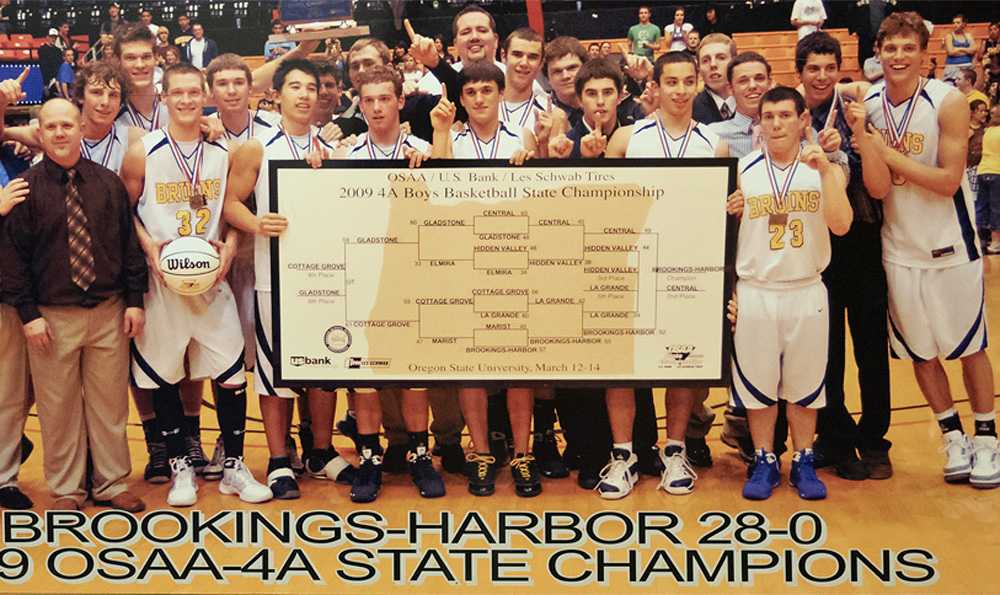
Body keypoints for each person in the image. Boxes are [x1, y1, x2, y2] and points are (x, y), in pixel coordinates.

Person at [120, 63, 272, 507]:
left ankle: (234, 467)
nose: (186, 100)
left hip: (211, 280)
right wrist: (150, 248)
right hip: (163, 282)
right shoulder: (143, 152)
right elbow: (125, 211)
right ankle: (180, 466)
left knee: (230, 373)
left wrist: (230, 247)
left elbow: (235, 207)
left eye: (193, 92)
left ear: (204, 96)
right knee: (165, 373)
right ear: (164, 97)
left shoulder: (224, 152)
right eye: (178, 93)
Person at [859, 12, 999, 488]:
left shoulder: (947, 101)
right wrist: (865, 139)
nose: (898, 57)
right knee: (921, 352)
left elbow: (947, 181)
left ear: (924, 53)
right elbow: (878, 187)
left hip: (950, 245)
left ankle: (987, 437)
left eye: (908, 48)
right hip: (899, 248)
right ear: (878, 52)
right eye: (890, 48)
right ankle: (953, 435)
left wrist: (886, 153)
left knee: (970, 347)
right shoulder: (869, 103)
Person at [589, 52, 728, 500]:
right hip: (633, 265)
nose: (681, 90)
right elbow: (604, 203)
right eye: (672, 82)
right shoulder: (628, 138)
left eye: (688, 82)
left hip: (688, 268)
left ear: (697, 85)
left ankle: (674, 450)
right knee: (622, 364)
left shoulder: (714, 144)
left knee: (679, 362)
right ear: (657, 86)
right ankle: (623, 455)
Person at [1, 98, 148, 512]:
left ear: (81, 128)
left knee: (110, 405)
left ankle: (111, 482)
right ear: (40, 133)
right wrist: (29, 316)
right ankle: (67, 489)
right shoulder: (25, 190)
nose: (60, 133)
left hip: (108, 311)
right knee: (58, 408)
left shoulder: (108, 183)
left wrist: (134, 301)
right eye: (51, 127)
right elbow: (13, 261)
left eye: (67, 125)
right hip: (51, 317)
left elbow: (128, 246)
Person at [223, 59, 357, 501]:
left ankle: (321, 451)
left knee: (325, 364)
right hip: (274, 279)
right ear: (276, 95)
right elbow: (229, 203)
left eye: (311, 88)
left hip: (327, 277)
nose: (304, 95)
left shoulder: (332, 147)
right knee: (273, 371)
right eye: (295, 87)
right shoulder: (257, 148)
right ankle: (279, 458)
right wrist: (258, 224)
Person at [332, 65, 446, 504]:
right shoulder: (346, 156)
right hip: (362, 273)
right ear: (359, 105)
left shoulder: (424, 151)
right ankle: (369, 459)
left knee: (413, 371)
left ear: (400, 101)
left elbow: (446, 208)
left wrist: (431, 168)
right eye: (369, 100)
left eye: (385, 99)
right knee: (363, 372)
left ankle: (420, 456)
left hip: (410, 272)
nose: (377, 108)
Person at [732, 86, 853, 501]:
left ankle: (803, 458)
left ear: (803, 120)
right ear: (760, 123)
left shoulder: (823, 167)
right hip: (756, 289)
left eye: (785, 115)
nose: (776, 124)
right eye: (768, 117)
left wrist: (826, 173)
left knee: (806, 385)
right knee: (759, 385)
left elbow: (842, 224)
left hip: (806, 288)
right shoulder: (743, 169)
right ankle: (764, 458)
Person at [428, 62, 539, 498]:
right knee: (470, 364)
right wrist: (440, 132)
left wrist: (533, 160)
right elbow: (437, 196)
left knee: (518, 366)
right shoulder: (450, 140)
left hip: (515, 261)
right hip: (465, 263)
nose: (478, 98)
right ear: (461, 98)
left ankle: (523, 454)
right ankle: (482, 453)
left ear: (500, 93)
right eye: (470, 92)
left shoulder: (522, 138)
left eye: (486, 90)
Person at [795, 31, 893, 480]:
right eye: (813, 68)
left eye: (830, 68)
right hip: (818, 244)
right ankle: (834, 435)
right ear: (799, 72)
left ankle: (874, 439)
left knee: (870, 344)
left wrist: (856, 135)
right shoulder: (791, 115)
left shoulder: (860, 109)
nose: (821, 76)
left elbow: (878, 176)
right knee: (826, 348)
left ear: (840, 70)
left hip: (864, 239)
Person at [693, 33, 737, 124]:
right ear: (699, 69)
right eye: (705, 60)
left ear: (735, 63)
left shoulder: (755, 105)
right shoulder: (690, 111)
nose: (713, 64)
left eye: (721, 58)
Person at [978, 104, 1000, 253]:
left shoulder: (988, 131)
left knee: (982, 206)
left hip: (983, 170)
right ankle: (996, 242)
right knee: (997, 208)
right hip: (997, 171)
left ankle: (978, 239)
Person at [943, 13, 977, 82]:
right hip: (953, 67)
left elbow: (973, 50)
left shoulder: (968, 35)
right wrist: (967, 51)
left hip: (967, 67)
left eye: (958, 22)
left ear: (964, 24)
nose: (955, 25)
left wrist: (959, 48)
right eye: (954, 23)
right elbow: (951, 52)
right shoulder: (949, 36)